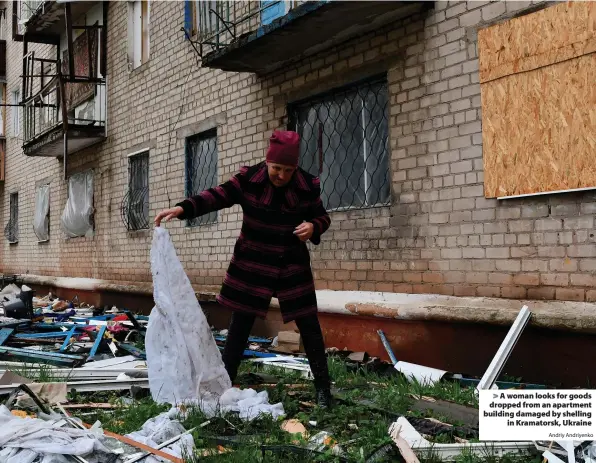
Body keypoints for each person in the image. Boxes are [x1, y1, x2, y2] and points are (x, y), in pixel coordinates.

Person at [154, 130, 333, 408]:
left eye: (288, 170)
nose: (281, 176)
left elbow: (321, 216)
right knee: (240, 326)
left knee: (309, 325)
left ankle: (323, 390)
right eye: (276, 168)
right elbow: (217, 195)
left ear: (295, 168)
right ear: (267, 161)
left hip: (291, 264)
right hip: (253, 263)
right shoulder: (250, 180)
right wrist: (183, 208)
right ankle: (225, 386)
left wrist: (313, 226)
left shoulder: (306, 185)